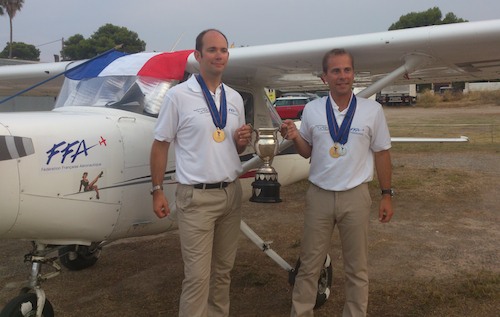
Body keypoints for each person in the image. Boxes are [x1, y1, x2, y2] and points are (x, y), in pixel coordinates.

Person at [282, 48, 394, 317]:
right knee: (309, 264)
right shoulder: (312, 109)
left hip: (355, 196)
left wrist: (386, 194)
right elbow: (307, 151)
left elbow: (382, 153)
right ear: (324, 77)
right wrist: (295, 136)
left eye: (347, 70)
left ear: (354, 74)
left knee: (357, 267)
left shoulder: (372, 110)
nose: (342, 76)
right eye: (335, 71)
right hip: (319, 195)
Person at [149, 29, 252, 317]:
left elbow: (234, 147)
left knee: (223, 273)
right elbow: (160, 145)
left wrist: (241, 141)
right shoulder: (178, 97)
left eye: (223, 50)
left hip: (231, 195)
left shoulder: (233, 98)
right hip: (196, 199)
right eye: (212, 50)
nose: (219, 55)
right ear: (198, 55)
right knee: (196, 278)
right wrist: (157, 190)